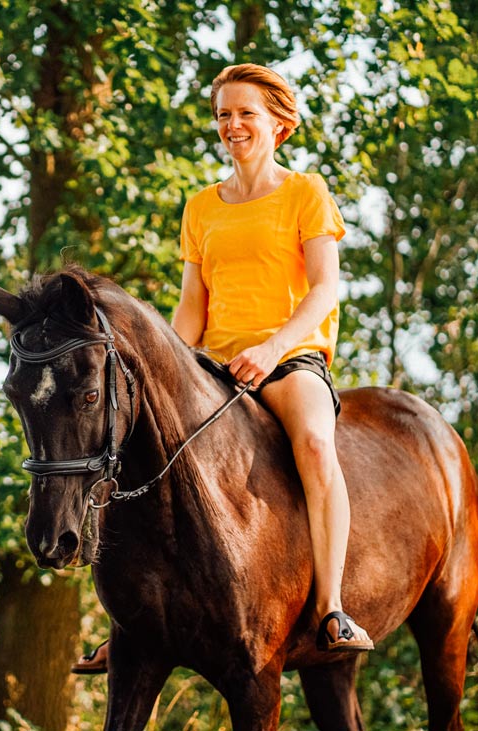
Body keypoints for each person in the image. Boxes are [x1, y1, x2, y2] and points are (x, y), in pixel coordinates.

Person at [72, 62, 373, 674]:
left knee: (316, 444)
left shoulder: (305, 192)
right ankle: (125, 623)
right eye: (223, 115)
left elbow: (325, 291)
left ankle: (333, 608)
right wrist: (164, 369)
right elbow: (190, 307)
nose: (232, 125)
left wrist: (271, 349)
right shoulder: (200, 206)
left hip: (288, 360)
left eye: (246, 114)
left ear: (278, 125)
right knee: (129, 452)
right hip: (211, 365)